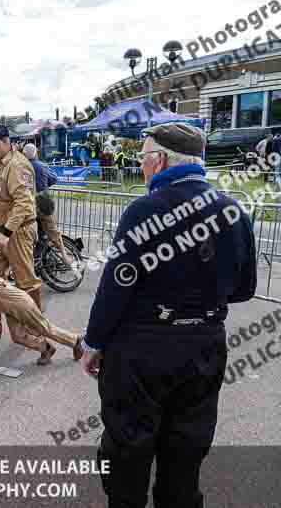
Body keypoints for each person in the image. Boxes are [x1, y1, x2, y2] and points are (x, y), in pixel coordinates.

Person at [80, 123, 256, 507]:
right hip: (204, 344)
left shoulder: (144, 210)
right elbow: (244, 288)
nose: (141, 166)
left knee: (128, 450)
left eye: (142, 158)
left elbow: (116, 286)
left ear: (159, 160)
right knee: (186, 449)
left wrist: (93, 343)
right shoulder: (234, 209)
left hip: (142, 347)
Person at [0, 124, 41, 338]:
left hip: (18, 231)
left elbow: (23, 203)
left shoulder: (17, 165)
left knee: (26, 282)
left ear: (6, 141)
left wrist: (6, 232)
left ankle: (37, 329)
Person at [22, 144, 72, 266]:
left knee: (28, 234)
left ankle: (33, 259)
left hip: (27, 206)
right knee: (52, 232)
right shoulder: (42, 166)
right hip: (43, 204)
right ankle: (64, 256)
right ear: (36, 153)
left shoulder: (20, 167)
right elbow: (54, 178)